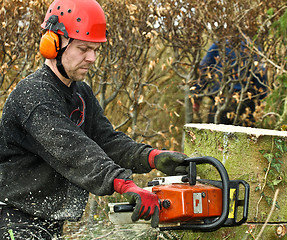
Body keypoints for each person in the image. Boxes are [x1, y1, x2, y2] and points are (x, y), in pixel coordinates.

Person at [0, 0, 187, 239]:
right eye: (83, 48)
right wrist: (123, 183)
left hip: (47, 224)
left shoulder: (81, 94)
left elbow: (107, 141)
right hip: (14, 221)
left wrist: (152, 157)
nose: (92, 58)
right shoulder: (34, 96)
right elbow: (73, 150)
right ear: (54, 44)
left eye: (96, 49)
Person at [192, 40, 268, 125]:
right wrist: (261, 98)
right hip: (245, 101)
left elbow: (203, 70)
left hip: (221, 100)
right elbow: (261, 76)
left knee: (215, 135)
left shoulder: (219, 44)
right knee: (245, 136)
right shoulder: (253, 47)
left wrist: (196, 97)